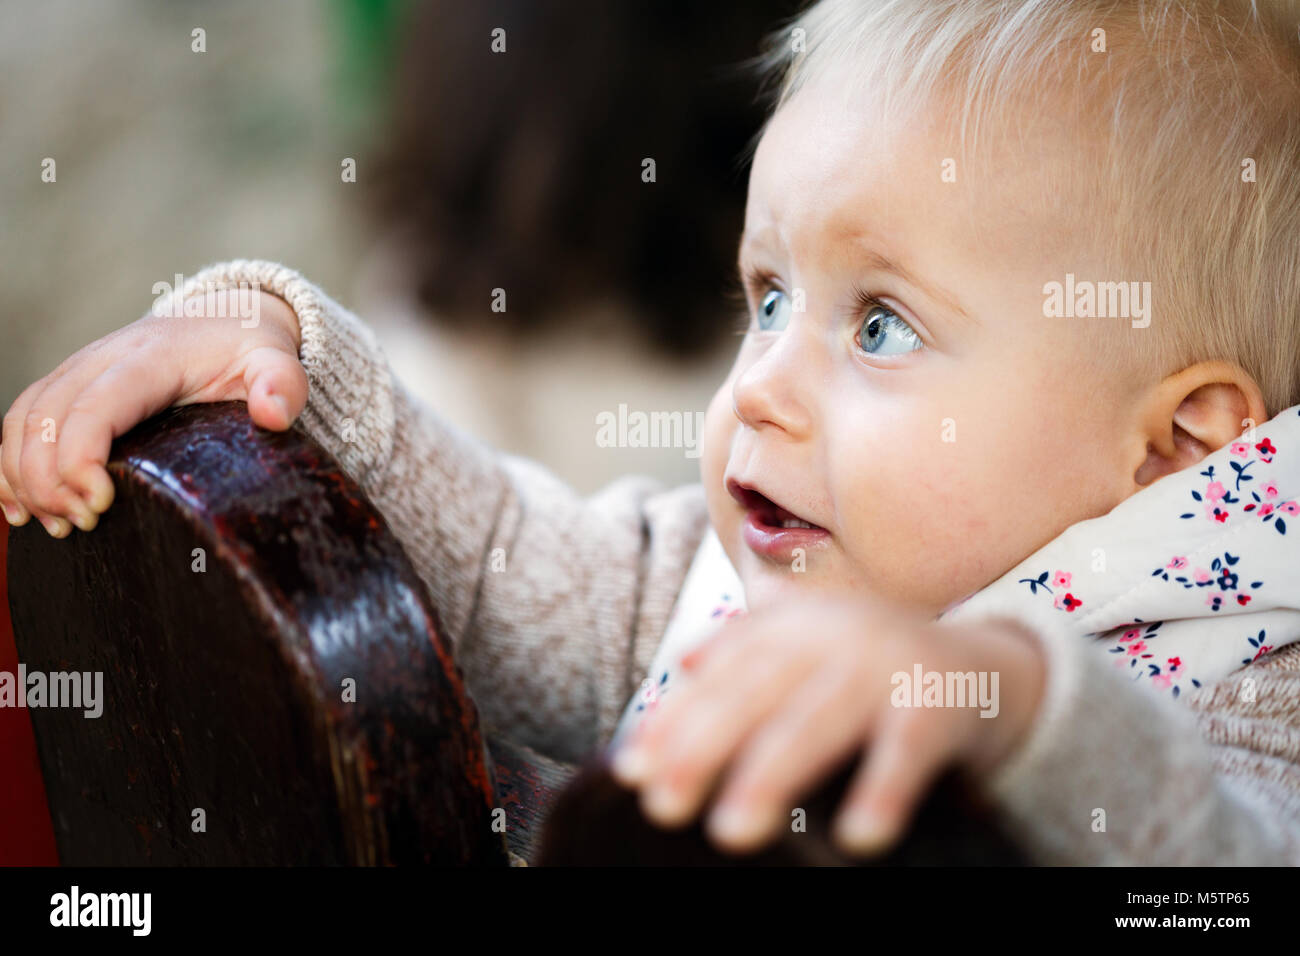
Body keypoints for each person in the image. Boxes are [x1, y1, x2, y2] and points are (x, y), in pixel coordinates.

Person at [5, 0, 1300, 865]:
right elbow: (501, 554)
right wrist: (278, 353)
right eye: (770, 299)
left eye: (883, 326)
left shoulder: (1249, 681)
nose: (761, 390)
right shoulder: (708, 576)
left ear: (1181, 445)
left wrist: (1018, 713)